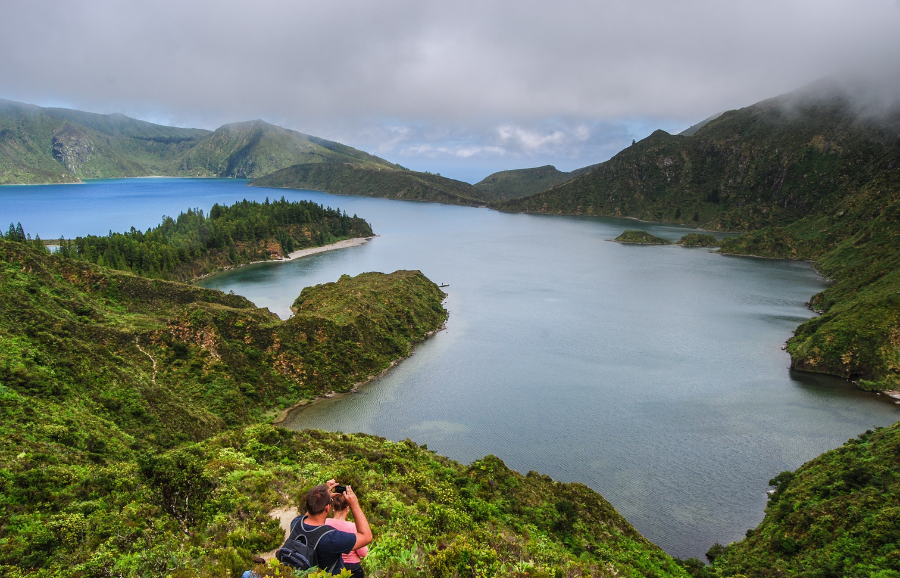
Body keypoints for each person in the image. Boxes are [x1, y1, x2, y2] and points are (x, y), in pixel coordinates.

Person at [283, 479, 373, 575]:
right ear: (327, 507)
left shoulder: (296, 523)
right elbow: (367, 537)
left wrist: (320, 498)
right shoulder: (331, 538)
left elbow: (309, 512)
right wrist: (354, 505)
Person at [325, 494, 369, 578]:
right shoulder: (353, 527)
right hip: (351, 568)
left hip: (329, 567)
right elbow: (363, 553)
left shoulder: (324, 523)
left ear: (333, 507)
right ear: (347, 508)